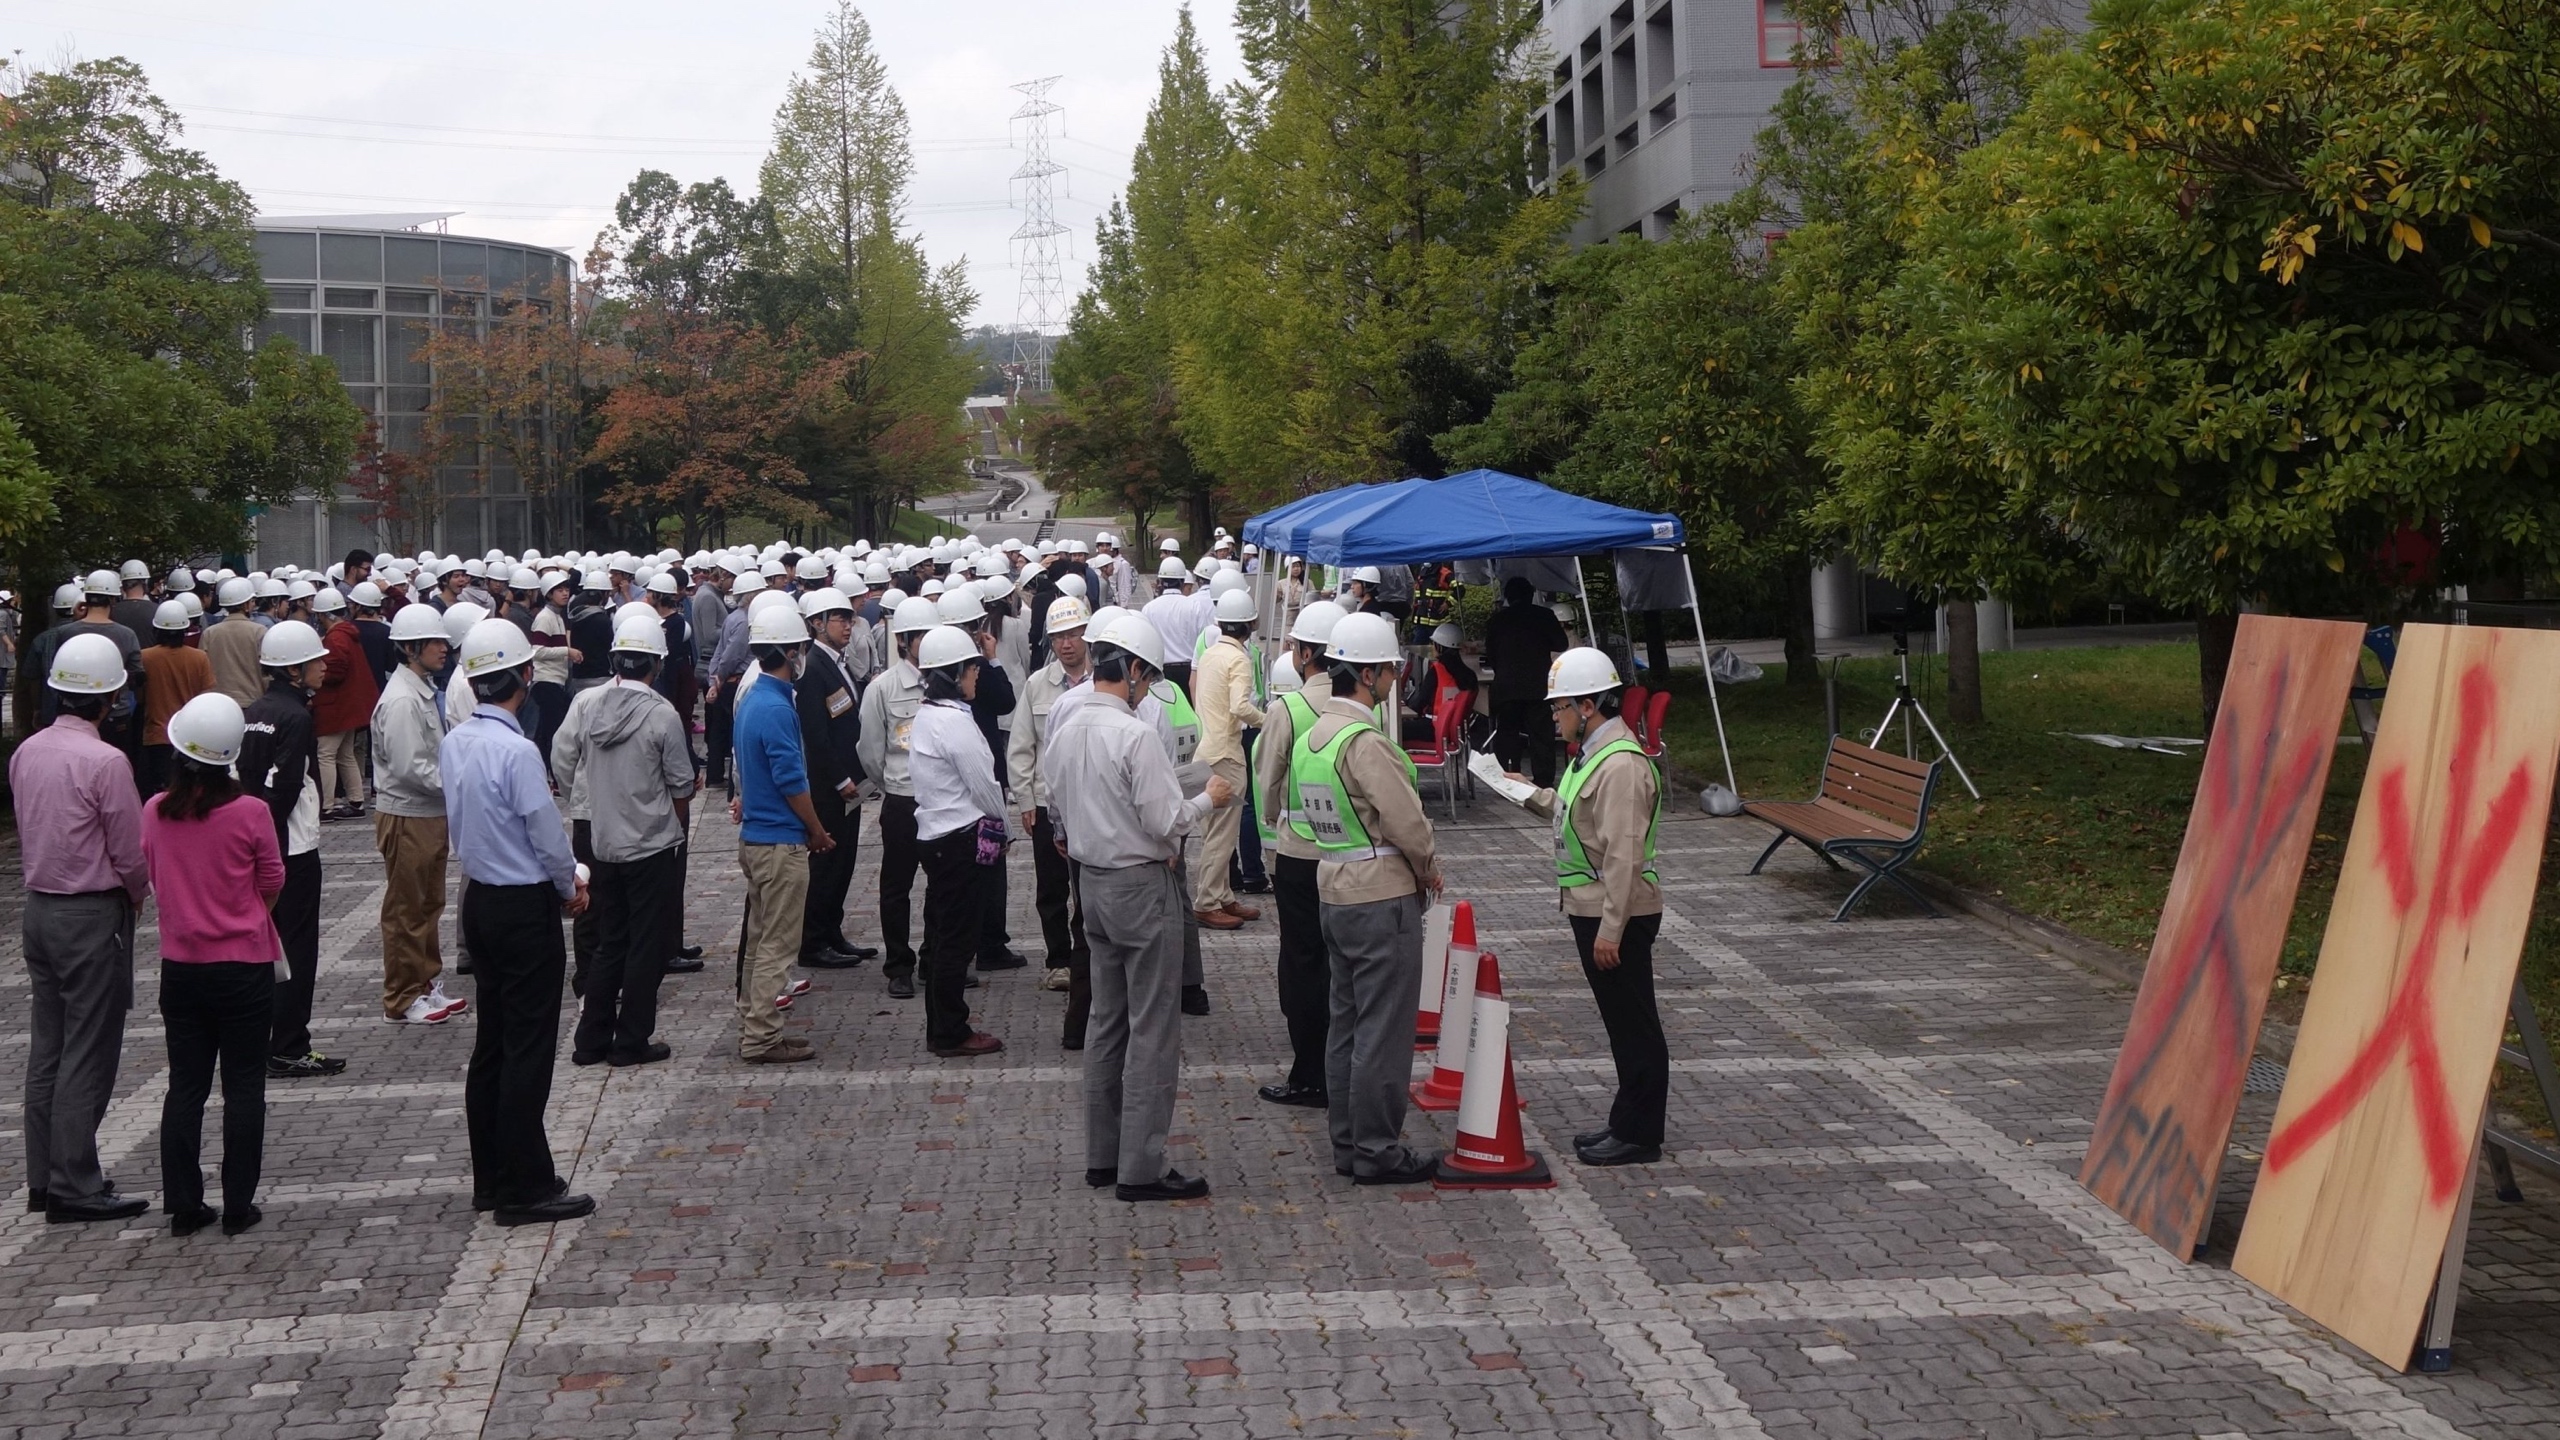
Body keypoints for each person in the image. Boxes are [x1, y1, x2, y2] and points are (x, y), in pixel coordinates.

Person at [1048, 614, 1235, 1201]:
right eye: (1145, 676)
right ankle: (1141, 1167)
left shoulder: (1066, 726)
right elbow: (1168, 819)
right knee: (1153, 1028)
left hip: (1092, 884)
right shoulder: (1133, 735)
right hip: (1138, 884)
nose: (1146, 687)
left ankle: (1104, 1156)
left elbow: (1056, 807)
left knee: (1107, 1022)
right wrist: (1209, 796)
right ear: (1130, 669)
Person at [441, 620, 593, 1225]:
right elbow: (546, 833)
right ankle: (525, 1185)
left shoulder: (457, 742)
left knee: (494, 1045)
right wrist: (570, 887)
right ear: (526, 677)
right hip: (523, 904)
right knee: (528, 1049)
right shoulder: (517, 750)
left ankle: (493, 1174)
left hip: (480, 899)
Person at [1295, 611, 1444, 1184]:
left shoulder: (1315, 736)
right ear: (1368, 674)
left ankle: (1348, 1144)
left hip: (1334, 886)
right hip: (1381, 895)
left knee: (1347, 1026)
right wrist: (1429, 866)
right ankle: (1378, 1150)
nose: (1392, 680)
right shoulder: (1365, 741)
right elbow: (1408, 823)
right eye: (1387, 671)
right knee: (1383, 1031)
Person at [11, 633, 152, 1223]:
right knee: (87, 1052)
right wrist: (140, 895)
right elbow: (128, 850)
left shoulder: (26, 751)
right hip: (90, 912)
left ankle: (44, 1176)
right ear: (107, 699)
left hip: (40, 909)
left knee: (48, 1048)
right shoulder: (105, 761)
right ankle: (76, 1183)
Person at [1510, 648, 1669, 1166]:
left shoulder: (1621, 764)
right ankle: (1626, 1122)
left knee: (1634, 1024)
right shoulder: (1594, 754)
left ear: (1587, 705)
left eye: (1559, 709)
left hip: (1614, 910)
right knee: (1622, 1024)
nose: (1554, 719)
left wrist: (1611, 929)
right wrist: (1530, 793)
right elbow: (1572, 811)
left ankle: (1640, 1134)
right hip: (1594, 907)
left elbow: (1622, 856)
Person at [145, 693, 283, 1235]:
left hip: (181, 966)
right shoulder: (251, 811)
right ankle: (238, 1205)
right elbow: (272, 878)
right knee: (244, 1086)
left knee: (186, 1085)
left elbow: (152, 871)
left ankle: (183, 1204)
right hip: (243, 965)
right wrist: (245, 914)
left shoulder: (154, 810)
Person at [551, 613, 696, 1067]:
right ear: (656, 664)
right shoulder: (661, 713)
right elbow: (682, 784)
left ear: (616, 659)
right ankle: (631, 1039)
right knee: (645, 947)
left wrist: (588, 794)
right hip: (650, 844)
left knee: (610, 941)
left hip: (604, 841)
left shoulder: (589, 704)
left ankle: (590, 1040)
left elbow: (561, 755)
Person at [235, 620, 344, 1080]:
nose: (324, 665)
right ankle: (290, 1046)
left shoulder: (256, 709)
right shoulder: (297, 717)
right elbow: (283, 789)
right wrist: (271, 844)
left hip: (262, 844)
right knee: (297, 950)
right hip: (292, 848)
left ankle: (263, 1041)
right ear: (295, 670)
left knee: (265, 949)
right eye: (316, 660)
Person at [730, 602, 837, 1063]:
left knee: (758, 942)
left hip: (757, 839)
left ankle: (756, 1025)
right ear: (789, 652)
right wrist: (816, 829)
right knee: (776, 946)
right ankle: (761, 1036)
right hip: (779, 843)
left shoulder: (754, 698)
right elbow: (791, 781)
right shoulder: (775, 705)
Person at [1253, 601, 1345, 1110]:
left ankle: (1310, 1073)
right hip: (1353, 855)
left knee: (1303, 962)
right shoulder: (1364, 706)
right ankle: (1344, 1065)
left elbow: (1267, 781)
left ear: (1306, 653)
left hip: (1299, 853)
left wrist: (1273, 822)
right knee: (1343, 963)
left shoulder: (1288, 709)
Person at [906, 625, 1007, 1057]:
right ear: (953, 673)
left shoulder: (932, 714)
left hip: (940, 837)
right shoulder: (951, 723)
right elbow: (984, 787)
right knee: (955, 941)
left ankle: (945, 1024)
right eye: (970, 668)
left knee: (946, 935)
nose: (976, 676)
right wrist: (1002, 827)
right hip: (958, 841)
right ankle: (949, 1030)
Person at [373, 603, 464, 1025]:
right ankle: (403, 996)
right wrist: (463, 786)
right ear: (411, 648)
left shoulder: (418, 690)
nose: (444, 648)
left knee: (427, 905)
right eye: (434, 642)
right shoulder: (404, 700)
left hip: (427, 814)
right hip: (409, 814)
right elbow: (413, 769)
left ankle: (424, 984)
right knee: (407, 911)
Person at [856, 597, 942, 1000]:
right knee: (896, 887)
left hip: (940, 801)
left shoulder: (946, 681)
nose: (927, 643)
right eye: (920, 636)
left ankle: (933, 958)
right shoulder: (883, 688)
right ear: (904, 641)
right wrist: (892, 784)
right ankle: (899, 965)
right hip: (902, 800)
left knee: (941, 884)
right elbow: (871, 753)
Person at [1008, 597, 1092, 1008]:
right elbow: (1021, 747)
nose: (1066, 644)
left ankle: (1086, 955)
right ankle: (1058, 960)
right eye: (1058, 636)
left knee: (1090, 885)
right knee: (1052, 888)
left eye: (1073, 634)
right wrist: (1025, 798)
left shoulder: (1104, 680)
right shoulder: (1037, 685)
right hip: (1046, 802)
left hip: (1092, 804)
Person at [793, 588, 873, 971]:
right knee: (826, 864)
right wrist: (840, 778)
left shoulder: (838, 662)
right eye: (838, 618)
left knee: (844, 863)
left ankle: (832, 931)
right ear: (816, 624)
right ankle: (813, 940)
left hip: (849, 785)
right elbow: (815, 735)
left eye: (848, 617)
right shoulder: (813, 670)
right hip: (829, 787)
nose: (848, 624)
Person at [1189, 587, 1264, 932]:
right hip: (1227, 753)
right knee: (1223, 832)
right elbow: (1240, 707)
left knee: (1213, 831)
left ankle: (1221, 895)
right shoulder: (1239, 659)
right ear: (1249, 624)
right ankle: (1207, 901)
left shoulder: (1210, 653)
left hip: (1205, 750)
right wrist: (1269, 719)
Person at [1484, 576, 1572, 788]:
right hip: (1537, 686)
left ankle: (1508, 776)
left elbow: (1490, 655)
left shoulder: (1497, 620)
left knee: (1508, 733)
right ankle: (1543, 780)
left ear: (1507, 597)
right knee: (1542, 735)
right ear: (1531, 594)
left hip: (1507, 687)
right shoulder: (1544, 616)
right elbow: (1561, 643)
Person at [137, 600, 215, 797]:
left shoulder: (145, 657)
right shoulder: (199, 658)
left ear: (157, 629)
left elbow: (140, 697)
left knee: (162, 794)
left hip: (156, 736)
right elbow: (206, 698)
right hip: (191, 737)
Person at [310, 589, 377, 820]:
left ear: (325, 615)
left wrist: (312, 675)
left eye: (319, 615)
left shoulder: (335, 637)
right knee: (345, 754)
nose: (317, 619)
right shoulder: (346, 634)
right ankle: (357, 802)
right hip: (349, 705)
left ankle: (326, 806)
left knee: (326, 754)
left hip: (336, 706)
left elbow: (335, 671)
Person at [1402, 621, 1479, 743]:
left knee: (1395, 729)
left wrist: (1406, 706)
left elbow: (1420, 703)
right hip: (1450, 730)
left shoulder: (1437, 670)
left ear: (1440, 646)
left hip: (1434, 728)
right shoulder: (1470, 675)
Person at [203, 578, 266, 707]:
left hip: (217, 704)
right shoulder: (259, 632)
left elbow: (203, 672)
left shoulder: (209, 633)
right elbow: (267, 673)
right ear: (245, 605)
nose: (254, 605)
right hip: (252, 703)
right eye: (252, 601)